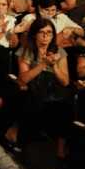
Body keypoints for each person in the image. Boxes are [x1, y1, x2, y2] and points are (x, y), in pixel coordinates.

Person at [15, 19, 73, 158]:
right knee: (34, 99)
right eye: (42, 32)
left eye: (49, 33)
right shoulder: (26, 50)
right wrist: (42, 64)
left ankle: (60, 149)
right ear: (35, 34)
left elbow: (65, 81)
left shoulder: (60, 52)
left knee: (66, 104)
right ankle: (24, 143)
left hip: (54, 90)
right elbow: (23, 79)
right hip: (33, 88)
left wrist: (54, 66)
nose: (46, 36)